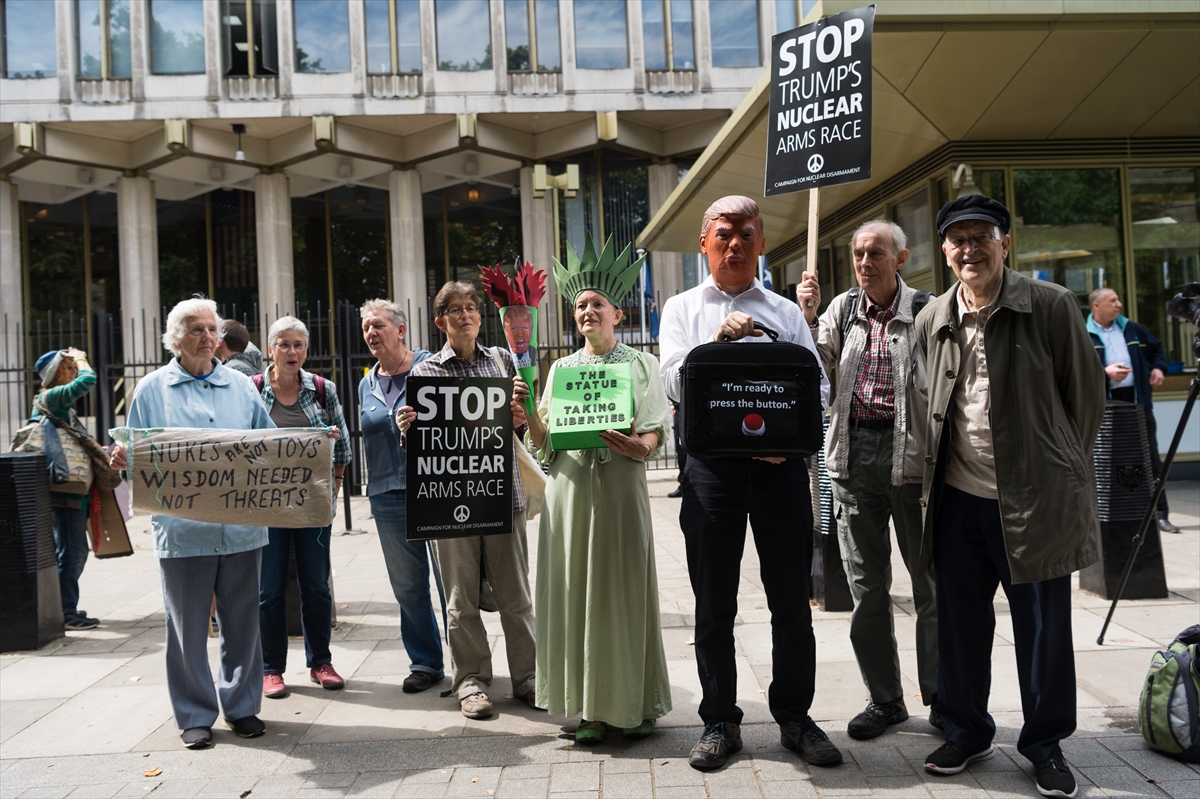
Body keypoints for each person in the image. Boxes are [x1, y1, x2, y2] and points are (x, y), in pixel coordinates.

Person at [915, 195, 1104, 798]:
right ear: (945, 251)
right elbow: (927, 404)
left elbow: (1087, 402)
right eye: (957, 240)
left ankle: (1044, 744)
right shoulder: (933, 317)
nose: (969, 249)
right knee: (961, 625)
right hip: (958, 498)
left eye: (980, 237)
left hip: (1034, 500)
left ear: (1004, 244)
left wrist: (1058, 471)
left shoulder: (1049, 305)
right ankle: (968, 730)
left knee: (1042, 630)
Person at [658, 195, 838, 771]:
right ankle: (719, 720)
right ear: (704, 243)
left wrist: (787, 441)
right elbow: (672, 387)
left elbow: (822, 391)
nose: (734, 244)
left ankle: (794, 717)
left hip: (780, 474)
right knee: (714, 603)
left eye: (745, 234)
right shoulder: (682, 309)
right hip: (713, 475)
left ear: (761, 243)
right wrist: (720, 339)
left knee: (791, 602)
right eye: (723, 234)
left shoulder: (786, 313)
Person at [523, 239, 673, 744]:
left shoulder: (642, 365)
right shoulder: (561, 371)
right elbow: (543, 443)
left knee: (625, 591)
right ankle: (587, 708)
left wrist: (640, 447)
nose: (587, 311)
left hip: (620, 486)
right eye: (580, 306)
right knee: (574, 593)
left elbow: (653, 430)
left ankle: (637, 701)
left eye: (596, 304)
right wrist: (525, 418)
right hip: (570, 492)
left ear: (618, 312)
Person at [110, 297, 276, 750]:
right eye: (197, 329)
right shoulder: (151, 390)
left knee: (243, 622)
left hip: (241, 529)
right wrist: (126, 460)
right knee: (186, 629)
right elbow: (138, 461)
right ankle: (195, 715)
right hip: (184, 533)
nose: (208, 337)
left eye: (212, 329)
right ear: (176, 339)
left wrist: (311, 444)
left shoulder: (241, 387)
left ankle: (242, 707)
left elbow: (269, 446)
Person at [795, 220, 940, 740]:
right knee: (867, 590)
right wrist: (807, 319)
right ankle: (885, 700)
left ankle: (943, 700)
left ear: (900, 258)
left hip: (914, 462)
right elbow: (814, 372)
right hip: (854, 458)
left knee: (932, 588)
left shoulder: (926, 310)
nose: (864, 261)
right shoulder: (841, 310)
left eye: (875, 252)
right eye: (858, 252)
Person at [396, 281, 537, 720]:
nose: (465, 315)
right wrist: (409, 429)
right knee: (460, 599)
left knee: (516, 594)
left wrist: (519, 419)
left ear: (480, 316)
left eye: (472, 307)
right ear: (440, 321)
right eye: (455, 309)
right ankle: (471, 681)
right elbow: (421, 443)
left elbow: (519, 430)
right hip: (449, 502)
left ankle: (529, 678)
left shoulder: (502, 361)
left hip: (502, 495)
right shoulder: (424, 373)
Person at [255, 316, 351, 699]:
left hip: (312, 504)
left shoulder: (323, 391)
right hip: (266, 506)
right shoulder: (253, 390)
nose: (292, 352)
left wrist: (336, 486)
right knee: (270, 589)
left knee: (316, 584)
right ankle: (270, 669)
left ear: (306, 351)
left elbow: (341, 446)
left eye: (298, 345)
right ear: (270, 350)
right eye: (284, 344)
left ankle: (321, 662)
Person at [358, 299, 447, 694]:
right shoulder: (366, 382)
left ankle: (469, 663)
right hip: (386, 493)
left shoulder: (430, 367)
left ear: (401, 329)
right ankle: (426, 662)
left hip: (436, 487)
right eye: (365, 328)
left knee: (452, 581)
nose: (371, 333)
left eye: (377, 325)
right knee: (408, 585)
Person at [1086, 288, 1179, 533]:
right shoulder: (1082, 334)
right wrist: (1104, 374)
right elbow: (1076, 369)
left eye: (1118, 300)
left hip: (1137, 401)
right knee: (1102, 462)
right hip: (1103, 404)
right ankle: (1101, 517)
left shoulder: (1133, 329)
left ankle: (1160, 514)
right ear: (1097, 306)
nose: (1119, 304)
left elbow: (1157, 349)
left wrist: (1159, 368)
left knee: (1151, 460)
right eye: (1113, 301)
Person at [32, 347, 99, 630]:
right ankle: (64, 612)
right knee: (71, 551)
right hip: (63, 489)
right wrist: (82, 357)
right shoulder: (52, 397)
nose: (75, 371)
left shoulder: (59, 404)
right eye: (69, 368)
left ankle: (65, 607)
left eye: (74, 366)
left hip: (70, 488)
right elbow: (88, 380)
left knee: (73, 550)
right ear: (58, 373)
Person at [502, 304, 536, 369]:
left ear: (531, 330)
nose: (520, 334)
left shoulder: (534, 352)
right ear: (505, 330)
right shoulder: (502, 356)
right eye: (514, 328)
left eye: (525, 328)